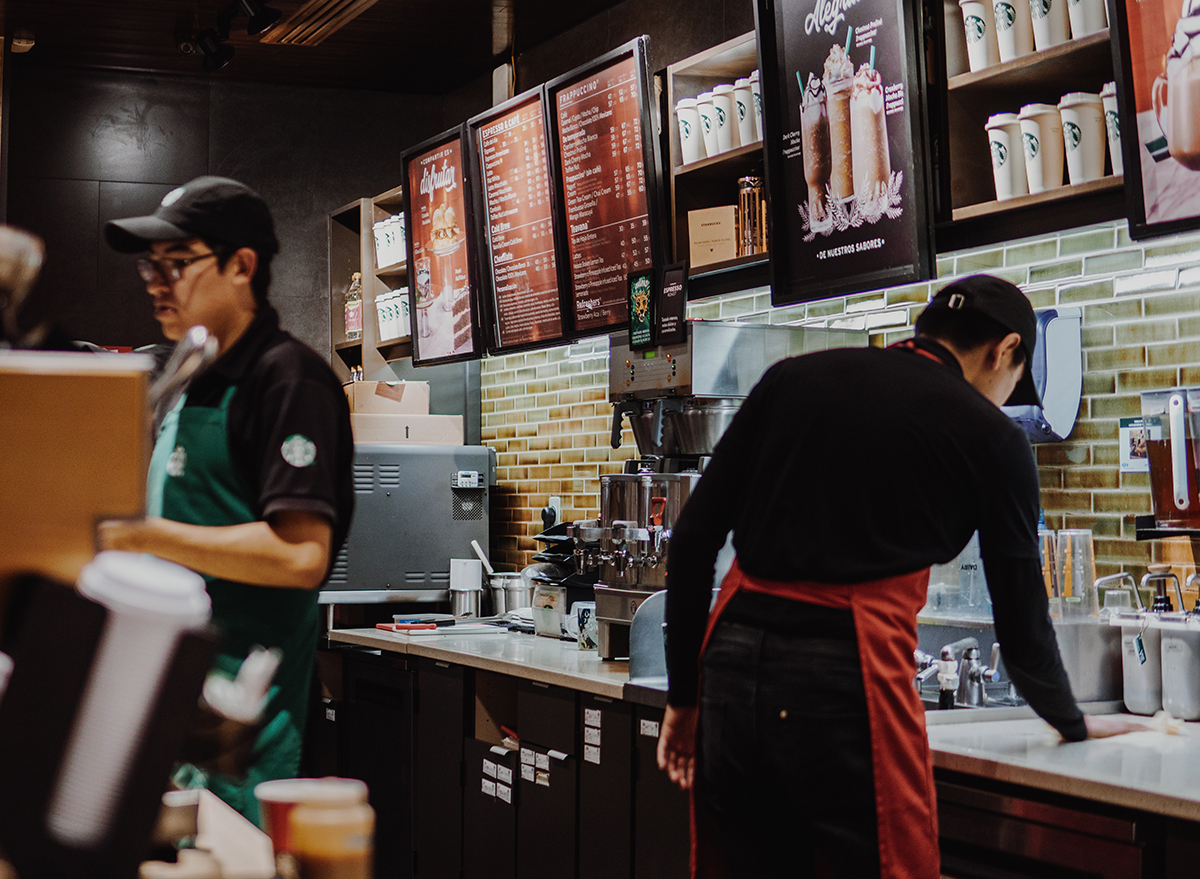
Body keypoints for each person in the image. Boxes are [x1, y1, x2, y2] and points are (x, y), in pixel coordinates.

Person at [656, 275, 1144, 879]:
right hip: (842, 672)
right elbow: (1021, 629)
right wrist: (1072, 721)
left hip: (729, 667)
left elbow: (694, 538)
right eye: (1017, 379)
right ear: (1005, 350)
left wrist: (684, 697)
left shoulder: (793, 379)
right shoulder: (993, 437)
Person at [96, 176, 354, 822]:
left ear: (242, 266)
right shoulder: (190, 376)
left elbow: (300, 554)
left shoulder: (288, 379)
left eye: (177, 263)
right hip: (170, 691)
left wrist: (139, 535)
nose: (157, 279)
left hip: (244, 714)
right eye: (150, 265)